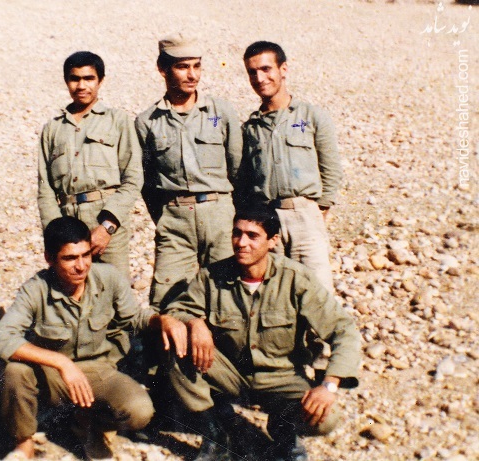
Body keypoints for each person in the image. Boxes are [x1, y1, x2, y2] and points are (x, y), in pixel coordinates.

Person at [164, 209, 361, 461]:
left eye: (252, 236)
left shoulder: (296, 279)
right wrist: (193, 322)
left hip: (281, 378)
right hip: (230, 374)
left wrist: (328, 385)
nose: (241, 243)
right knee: (175, 341)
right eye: (237, 233)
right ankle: (216, 430)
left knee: (325, 419)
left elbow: (343, 330)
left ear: (273, 240)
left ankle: (283, 430)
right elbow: (176, 311)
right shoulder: (212, 276)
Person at [0, 217, 186, 460]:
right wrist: (62, 363)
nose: (81, 266)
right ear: (49, 259)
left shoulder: (108, 278)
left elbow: (134, 318)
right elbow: (1, 339)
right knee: (15, 371)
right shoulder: (36, 288)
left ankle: (88, 423)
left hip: (98, 370)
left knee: (140, 411)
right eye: (70, 258)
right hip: (52, 375)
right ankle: (24, 443)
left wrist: (161, 320)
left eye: (86, 255)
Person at [135, 33, 242, 310]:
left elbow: (238, 170)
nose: (192, 75)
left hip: (220, 218)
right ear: (163, 69)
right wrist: (167, 215)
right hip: (175, 223)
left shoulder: (219, 112)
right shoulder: (148, 122)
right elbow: (146, 182)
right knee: (166, 302)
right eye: (183, 67)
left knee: (228, 298)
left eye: (197, 66)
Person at [238, 41, 343, 292]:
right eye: (252, 72)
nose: (259, 78)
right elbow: (243, 180)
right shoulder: (250, 128)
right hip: (267, 220)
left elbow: (331, 168)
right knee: (276, 292)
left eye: (266, 69)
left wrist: (319, 210)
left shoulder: (311, 117)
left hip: (305, 217)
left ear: (283, 69)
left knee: (317, 292)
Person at [37, 51, 143, 278]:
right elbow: (45, 189)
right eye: (75, 79)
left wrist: (107, 227)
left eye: (89, 78)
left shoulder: (118, 121)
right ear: (66, 81)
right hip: (67, 220)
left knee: (115, 288)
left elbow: (133, 178)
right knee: (70, 290)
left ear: (100, 81)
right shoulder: (52, 129)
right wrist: (57, 233)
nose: (81, 86)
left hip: (106, 221)